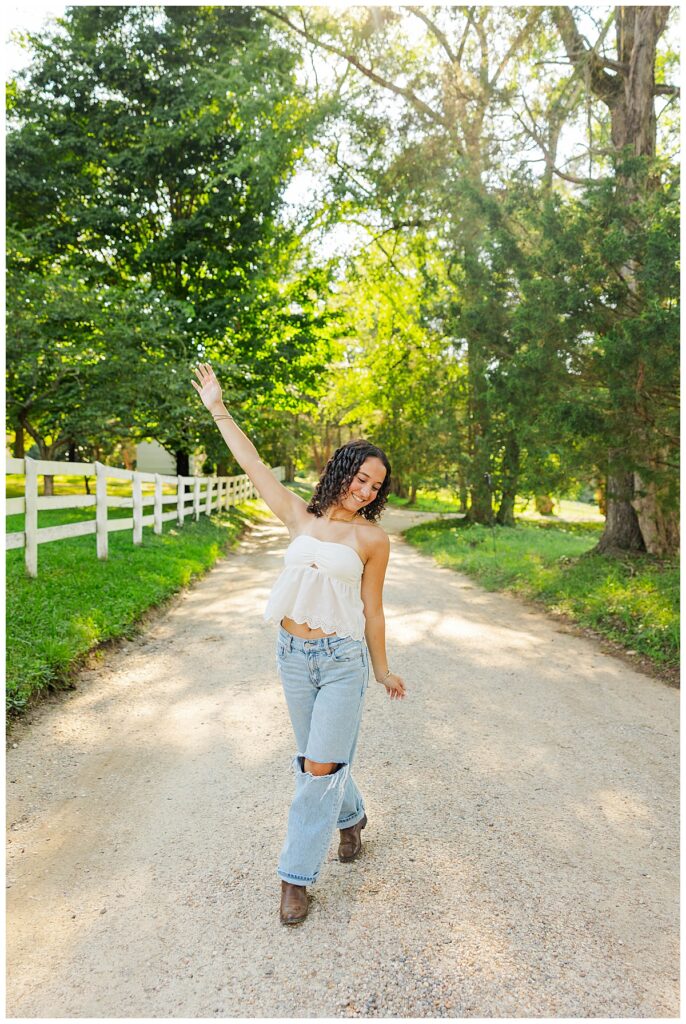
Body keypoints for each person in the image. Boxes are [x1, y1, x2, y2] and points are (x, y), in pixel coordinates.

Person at [191, 363, 407, 925]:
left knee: (316, 766)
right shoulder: (298, 516)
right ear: (342, 471)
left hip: (341, 662)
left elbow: (373, 610)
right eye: (361, 478)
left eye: (375, 486)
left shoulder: (371, 539)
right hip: (291, 656)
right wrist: (218, 408)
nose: (366, 491)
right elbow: (252, 465)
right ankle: (351, 818)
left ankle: (295, 878)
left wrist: (381, 670)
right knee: (322, 758)